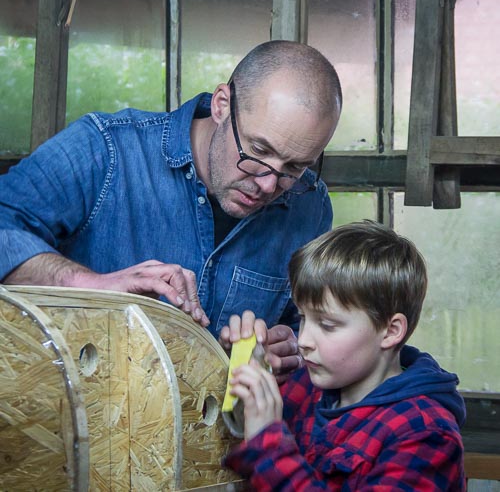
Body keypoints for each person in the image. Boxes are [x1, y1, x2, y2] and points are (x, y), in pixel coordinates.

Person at [0, 40, 342, 379]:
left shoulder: (310, 205)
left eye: (294, 167)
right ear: (222, 105)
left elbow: (304, 328)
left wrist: (288, 350)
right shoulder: (105, 148)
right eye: (258, 151)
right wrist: (93, 286)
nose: (269, 185)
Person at [224, 220, 466, 490]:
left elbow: (265, 449)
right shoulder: (303, 387)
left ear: (390, 331)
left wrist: (268, 447)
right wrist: (244, 383)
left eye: (327, 325)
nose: (303, 340)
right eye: (303, 318)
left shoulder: (425, 434)